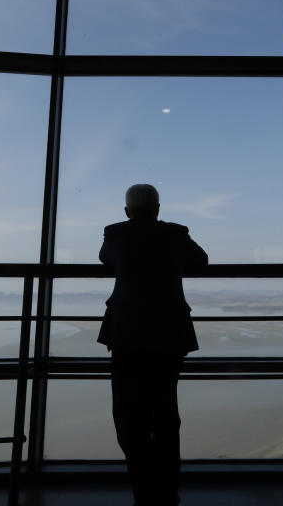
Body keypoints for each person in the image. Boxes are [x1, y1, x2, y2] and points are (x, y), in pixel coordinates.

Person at [98, 184, 208, 506]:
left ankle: (144, 490)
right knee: (164, 414)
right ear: (158, 209)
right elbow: (200, 261)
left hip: (126, 334)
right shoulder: (176, 234)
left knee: (128, 416)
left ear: (126, 211)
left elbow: (105, 259)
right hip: (168, 334)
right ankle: (167, 491)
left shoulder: (115, 233)